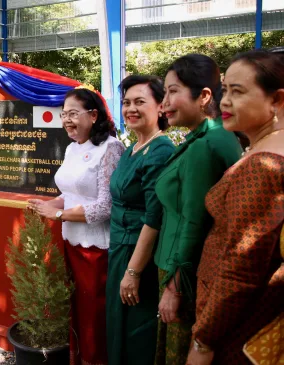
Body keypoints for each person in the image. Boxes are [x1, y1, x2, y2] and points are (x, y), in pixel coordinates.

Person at [187, 50, 284, 365]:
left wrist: (204, 341)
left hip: (236, 328)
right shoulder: (261, 148)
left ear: (277, 100)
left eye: (238, 92)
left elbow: (241, 269)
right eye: (225, 90)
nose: (224, 101)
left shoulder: (263, 165)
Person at [153, 54, 243, 365]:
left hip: (185, 275)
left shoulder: (207, 145)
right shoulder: (207, 138)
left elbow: (195, 221)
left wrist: (175, 288)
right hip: (184, 268)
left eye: (173, 91)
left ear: (204, 96)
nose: (164, 102)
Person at [28, 88, 124, 365]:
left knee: (96, 315)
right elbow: (70, 194)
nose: (67, 120)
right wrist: (50, 204)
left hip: (97, 250)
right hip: (71, 242)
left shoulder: (110, 148)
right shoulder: (71, 148)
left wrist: (58, 215)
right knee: (78, 313)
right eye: (64, 114)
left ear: (93, 115)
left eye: (73, 114)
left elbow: (107, 207)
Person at [106, 75, 175, 365]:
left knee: (136, 333)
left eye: (139, 102)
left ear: (160, 106)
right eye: (126, 103)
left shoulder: (160, 151)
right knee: (117, 327)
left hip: (139, 255)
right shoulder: (133, 147)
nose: (130, 108)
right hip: (119, 249)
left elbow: (154, 217)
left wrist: (133, 272)